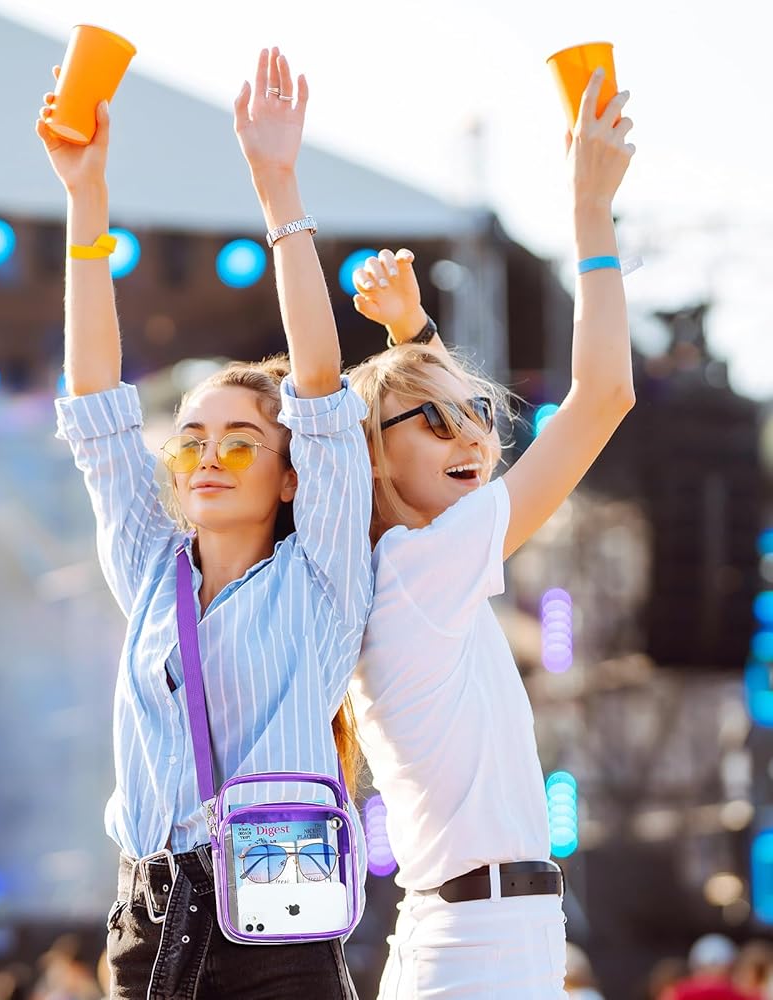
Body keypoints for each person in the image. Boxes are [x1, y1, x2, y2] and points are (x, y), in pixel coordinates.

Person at [36, 46, 371, 998]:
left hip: (276, 919)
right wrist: (86, 199)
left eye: (240, 441)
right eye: (190, 443)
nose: (210, 458)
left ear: (294, 475)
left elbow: (320, 388)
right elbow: (98, 408)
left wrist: (277, 186)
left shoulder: (322, 577)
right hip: (146, 922)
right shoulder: (152, 569)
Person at [346, 68, 637, 998]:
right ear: (372, 460)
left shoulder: (409, 565)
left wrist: (412, 333)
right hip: (477, 946)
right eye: (437, 423)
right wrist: (590, 210)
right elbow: (605, 395)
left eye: (474, 413)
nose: (472, 435)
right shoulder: (417, 567)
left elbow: (437, 444)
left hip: (483, 936)